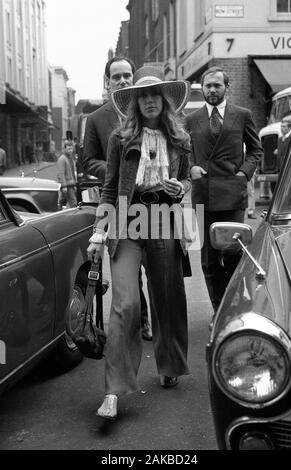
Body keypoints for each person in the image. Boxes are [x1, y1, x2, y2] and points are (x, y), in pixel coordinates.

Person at [87, 65, 191, 419]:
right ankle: (114, 390)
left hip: (163, 217)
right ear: (135, 103)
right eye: (142, 96)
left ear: (164, 101)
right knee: (125, 304)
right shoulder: (120, 138)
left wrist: (182, 188)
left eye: (154, 96)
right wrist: (99, 231)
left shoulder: (180, 137)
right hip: (127, 219)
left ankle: (169, 364)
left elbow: (184, 180)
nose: (149, 101)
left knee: (168, 296)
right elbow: (109, 186)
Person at [82, 56, 152, 342]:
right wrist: (119, 170)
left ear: (133, 78)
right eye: (116, 77)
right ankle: (141, 322)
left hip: (154, 204)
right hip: (120, 205)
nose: (123, 80)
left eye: (127, 75)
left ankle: (160, 324)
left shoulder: (150, 111)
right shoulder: (97, 118)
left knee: (158, 269)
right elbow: (88, 161)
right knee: (128, 270)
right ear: (107, 83)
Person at [185, 66, 263, 314]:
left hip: (232, 194)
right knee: (208, 260)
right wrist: (192, 168)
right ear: (202, 88)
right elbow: (183, 153)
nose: (212, 90)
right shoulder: (191, 120)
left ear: (226, 88)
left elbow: (255, 150)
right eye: (207, 86)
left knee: (232, 254)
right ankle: (218, 310)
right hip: (204, 196)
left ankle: (235, 308)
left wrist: (243, 174)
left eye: (217, 85)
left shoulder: (242, 115)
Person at [271, 118, 291, 193]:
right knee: (274, 187)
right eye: (281, 126)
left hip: (288, 167)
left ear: (289, 128)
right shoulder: (279, 139)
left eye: (284, 126)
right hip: (279, 168)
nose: (281, 128)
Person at [57, 140, 77, 209]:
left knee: (62, 202)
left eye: (71, 148)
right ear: (65, 149)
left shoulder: (70, 159)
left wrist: (74, 184)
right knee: (73, 202)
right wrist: (63, 186)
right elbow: (61, 173)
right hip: (67, 186)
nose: (70, 150)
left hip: (70, 184)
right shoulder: (62, 159)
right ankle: (75, 217)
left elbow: (72, 173)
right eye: (68, 149)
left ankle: (57, 214)